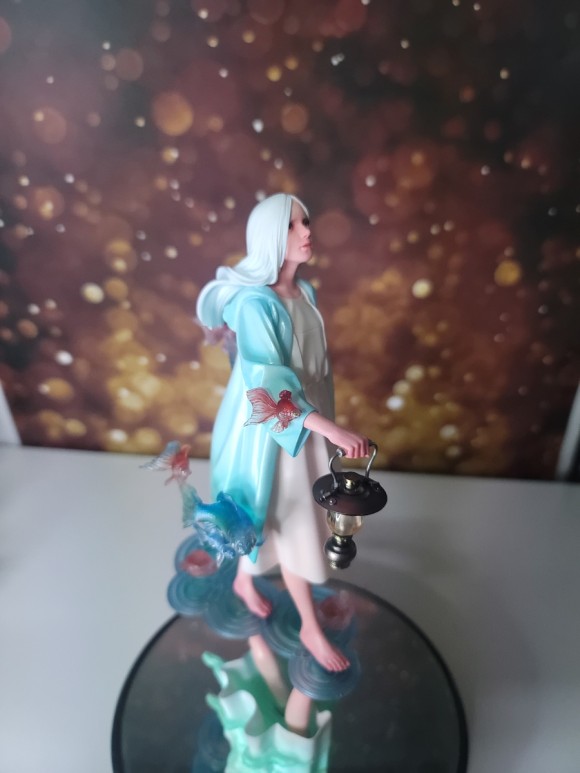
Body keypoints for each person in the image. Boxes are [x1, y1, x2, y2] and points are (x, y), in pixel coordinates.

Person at [196, 193, 369, 672]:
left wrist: (323, 423)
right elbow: (268, 383)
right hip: (272, 432)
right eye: (292, 225)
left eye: (305, 221)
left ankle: (243, 579)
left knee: (279, 514)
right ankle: (309, 626)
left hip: (306, 425)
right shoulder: (256, 304)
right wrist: (328, 428)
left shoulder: (305, 294)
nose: (306, 231)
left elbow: (314, 369)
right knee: (288, 522)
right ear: (270, 236)